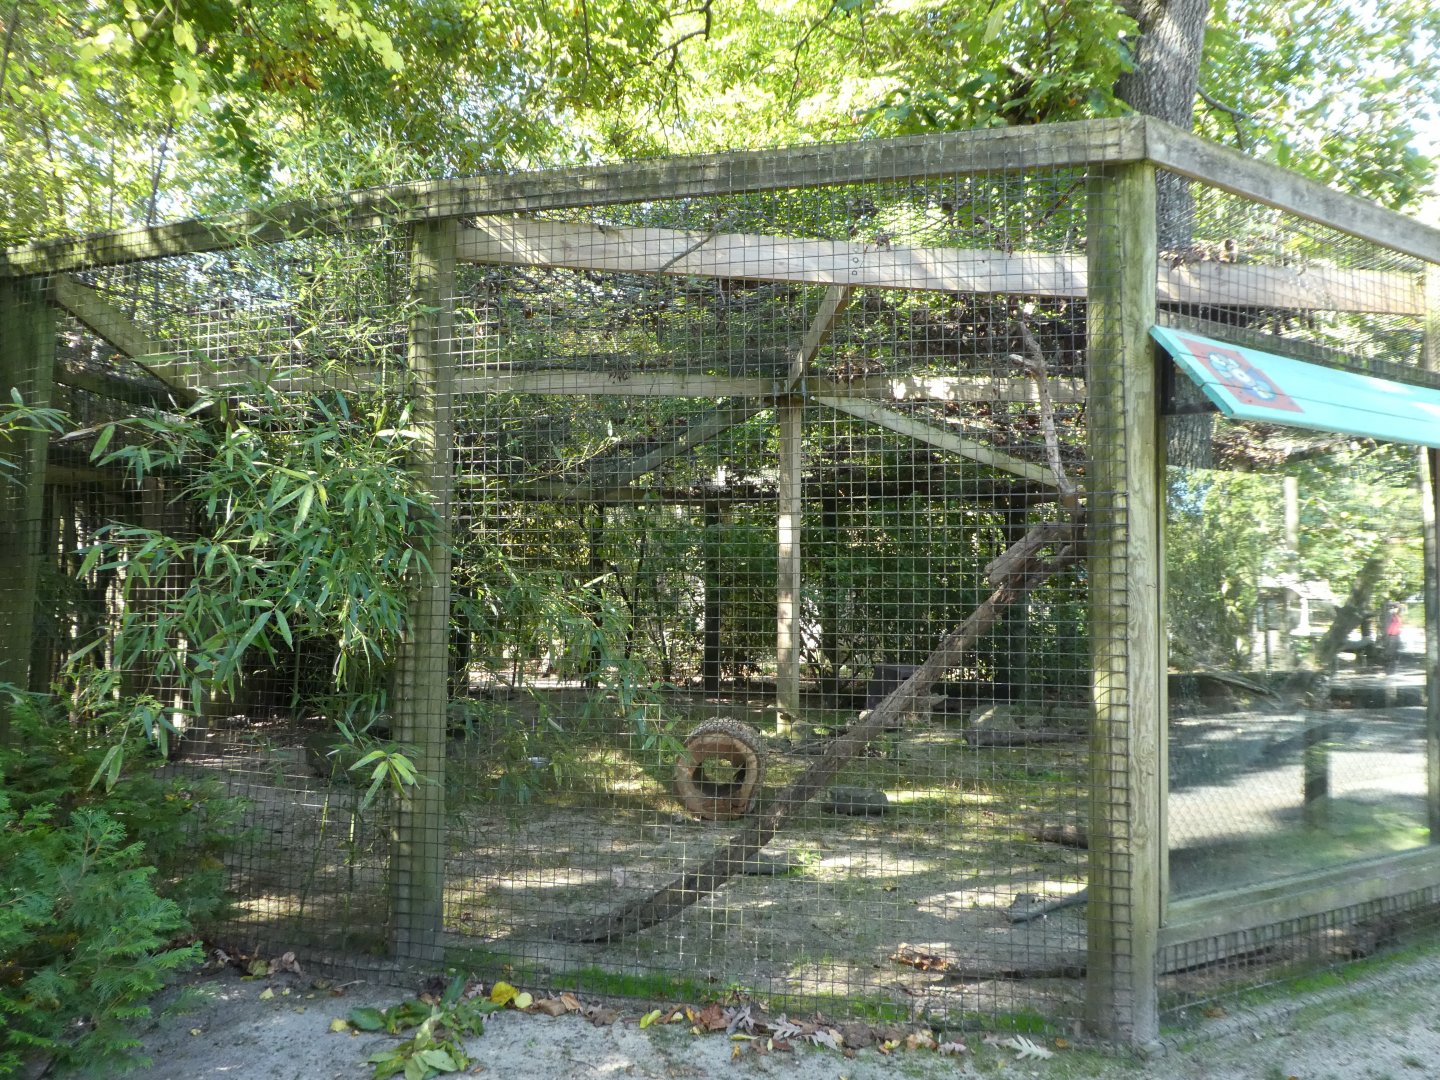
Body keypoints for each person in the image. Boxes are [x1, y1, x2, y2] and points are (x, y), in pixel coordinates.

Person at [1382, 602, 1403, 674]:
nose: (1397, 609)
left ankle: (1392, 670)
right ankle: (1388, 670)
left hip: (1396, 635)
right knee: (1390, 653)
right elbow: (1386, 626)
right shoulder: (1389, 615)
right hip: (1391, 636)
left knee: (1395, 653)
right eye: (1396, 607)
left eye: (1398, 607)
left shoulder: (1396, 615)